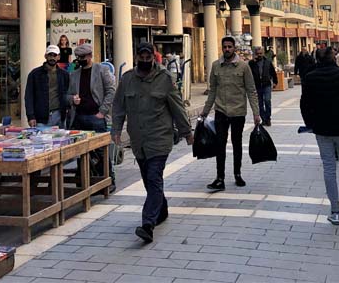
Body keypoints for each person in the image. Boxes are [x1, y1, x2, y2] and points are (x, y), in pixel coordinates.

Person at [112, 43, 193, 243]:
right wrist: (115, 130)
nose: (146, 61)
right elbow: (119, 107)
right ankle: (161, 209)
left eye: (149, 58)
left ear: (153, 58)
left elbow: (177, 107)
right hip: (138, 141)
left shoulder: (165, 79)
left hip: (159, 138)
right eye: (142, 57)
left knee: (154, 177)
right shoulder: (127, 79)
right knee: (149, 181)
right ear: (137, 57)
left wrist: (187, 131)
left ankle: (148, 224)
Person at [301, 46, 339, 226]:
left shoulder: (310, 78)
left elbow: (304, 104)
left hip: (322, 128)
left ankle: (335, 211)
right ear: (334, 58)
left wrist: (311, 123)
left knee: (328, 167)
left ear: (317, 59)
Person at [201, 36, 261, 190]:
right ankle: (220, 178)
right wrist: (204, 112)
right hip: (221, 111)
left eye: (229, 47)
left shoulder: (243, 66)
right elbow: (212, 91)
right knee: (220, 144)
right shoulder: (215, 66)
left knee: (237, 144)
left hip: (238, 112)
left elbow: (251, 90)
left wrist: (256, 113)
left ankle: (237, 174)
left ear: (234, 48)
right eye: (224, 47)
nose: (227, 49)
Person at [67, 43, 116, 188]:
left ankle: (108, 179)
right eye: (78, 57)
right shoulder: (75, 74)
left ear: (89, 56)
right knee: (81, 152)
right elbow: (68, 94)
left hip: (96, 117)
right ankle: (84, 180)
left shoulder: (101, 70)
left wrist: (102, 112)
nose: (80, 60)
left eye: (82, 57)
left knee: (101, 151)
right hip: (79, 117)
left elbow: (111, 91)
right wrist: (72, 99)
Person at [24, 45, 70, 127]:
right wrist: (30, 116)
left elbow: (67, 93)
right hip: (41, 118)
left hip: (59, 117)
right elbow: (29, 96)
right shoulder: (35, 74)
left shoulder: (64, 74)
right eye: (50, 55)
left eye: (55, 55)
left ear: (58, 57)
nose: (52, 58)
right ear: (45, 56)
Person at [249, 46, 275, 126]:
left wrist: (275, 82)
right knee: (259, 103)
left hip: (266, 84)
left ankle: (268, 118)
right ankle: (264, 119)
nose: (259, 55)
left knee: (267, 101)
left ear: (263, 53)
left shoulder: (267, 61)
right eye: (257, 54)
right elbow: (248, 74)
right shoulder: (252, 63)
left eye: (260, 53)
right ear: (255, 54)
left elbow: (272, 72)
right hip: (257, 86)